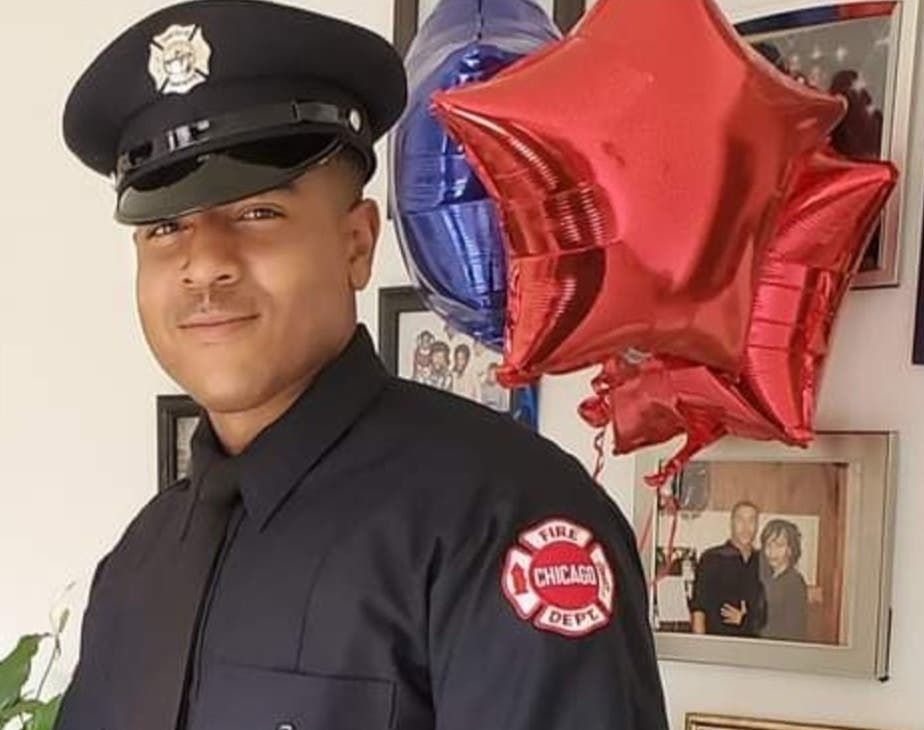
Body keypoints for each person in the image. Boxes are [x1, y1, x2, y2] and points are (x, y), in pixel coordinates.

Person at [55, 2, 670, 729]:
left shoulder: (502, 517)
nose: (204, 265)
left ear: (356, 243)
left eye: (257, 214)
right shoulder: (141, 559)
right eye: (164, 228)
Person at [689, 501, 767, 637]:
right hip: (718, 643)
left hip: (754, 646)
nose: (745, 527)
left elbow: (768, 613)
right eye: (740, 520)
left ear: (757, 526)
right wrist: (700, 646)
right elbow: (698, 609)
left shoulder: (762, 562)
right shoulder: (712, 558)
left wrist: (745, 620)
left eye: (751, 520)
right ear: (731, 523)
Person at [758, 519, 809, 642]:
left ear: (790, 550)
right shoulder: (764, 576)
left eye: (779, 545)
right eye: (768, 545)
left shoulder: (795, 583)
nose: (772, 551)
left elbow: (795, 630)